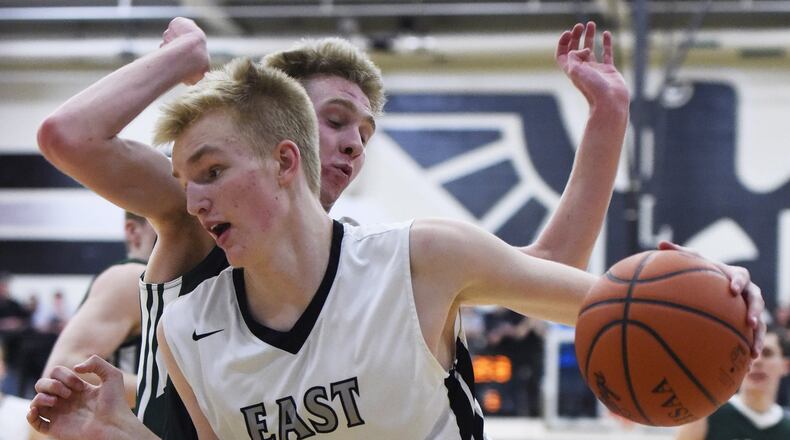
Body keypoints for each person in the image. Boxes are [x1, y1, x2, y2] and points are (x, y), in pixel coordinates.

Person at [30, 56, 763, 439]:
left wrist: (712, 289)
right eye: (333, 120)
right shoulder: (187, 291)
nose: (346, 144)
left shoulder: (412, 256)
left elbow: (577, 286)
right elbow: (67, 135)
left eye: (361, 130)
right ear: (291, 140)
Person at [42, 211, 156, 407]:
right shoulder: (132, 277)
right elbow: (62, 370)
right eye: (164, 218)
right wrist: (168, 394)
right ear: (133, 231)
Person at [675, 324, 790, 440]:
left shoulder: (786, 426)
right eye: (750, 353)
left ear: (786, 366)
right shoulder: (707, 411)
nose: (757, 361)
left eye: (767, 353)